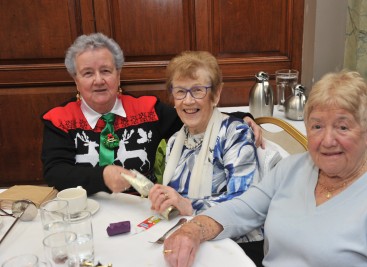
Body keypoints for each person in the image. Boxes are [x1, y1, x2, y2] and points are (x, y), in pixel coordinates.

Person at [162, 70, 367, 267]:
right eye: (317, 126)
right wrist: (192, 229)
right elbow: (240, 210)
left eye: (342, 127)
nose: (327, 140)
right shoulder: (291, 169)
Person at [41, 33, 262, 196]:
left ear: (118, 75)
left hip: (141, 212)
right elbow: (56, 172)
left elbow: (194, 113)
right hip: (86, 211)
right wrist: (102, 177)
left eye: (106, 71)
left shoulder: (148, 109)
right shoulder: (60, 119)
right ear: (76, 80)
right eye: (88, 73)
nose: (98, 80)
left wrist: (242, 118)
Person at [148, 51, 270, 265]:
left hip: (237, 246)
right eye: (180, 92)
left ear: (216, 94)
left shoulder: (235, 134)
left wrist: (188, 205)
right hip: (189, 238)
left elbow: (246, 202)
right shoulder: (176, 141)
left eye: (197, 91)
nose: (188, 100)